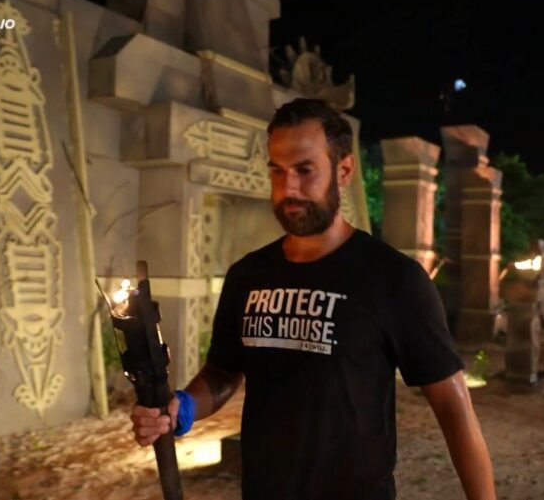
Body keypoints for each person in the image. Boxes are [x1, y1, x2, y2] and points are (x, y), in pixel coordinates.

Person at [130, 98, 496, 500]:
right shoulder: (247, 276)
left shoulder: (393, 279)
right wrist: (181, 408)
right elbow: (222, 374)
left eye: (305, 170)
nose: (288, 188)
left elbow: (453, 408)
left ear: (344, 170)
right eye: (277, 171)